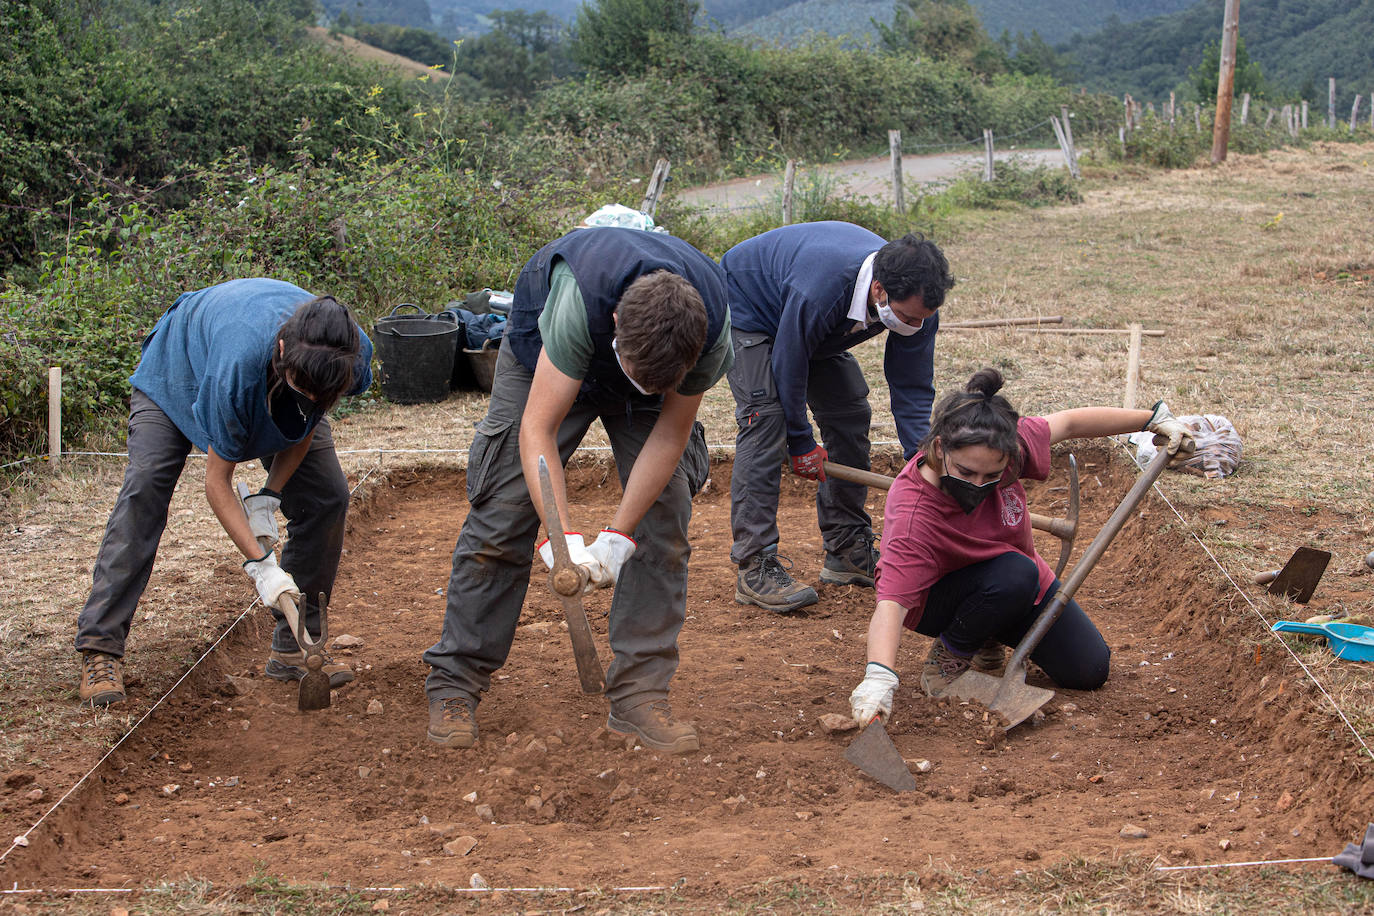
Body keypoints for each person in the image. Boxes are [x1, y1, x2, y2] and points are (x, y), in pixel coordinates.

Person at [422, 226, 732, 755]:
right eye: (635, 374)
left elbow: (671, 433)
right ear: (615, 325)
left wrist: (616, 538)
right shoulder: (579, 305)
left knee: (667, 514)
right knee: (504, 510)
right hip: (549, 358)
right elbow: (537, 430)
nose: (637, 389)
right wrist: (560, 539)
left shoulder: (709, 333)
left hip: (652, 358)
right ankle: (455, 683)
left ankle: (639, 695)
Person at [74, 279, 374, 707]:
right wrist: (262, 566)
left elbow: (308, 419)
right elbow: (218, 483)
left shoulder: (348, 356)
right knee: (147, 490)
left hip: (267, 367)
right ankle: (100, 648)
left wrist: (270, 495)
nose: (311, 399)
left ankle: (294, 648)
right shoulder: (238, 366)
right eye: (302, 388)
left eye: (319, 393)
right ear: (285, 351)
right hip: (180, 371)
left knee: (327, 496)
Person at [849, 368, 1194, 726]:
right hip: (943, 598)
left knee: (1089, 670)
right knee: (1014, 572)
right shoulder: (914, 516)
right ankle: (946, 665)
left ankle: (986, 634)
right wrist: (878, 678)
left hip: (1014, 585)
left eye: (991, 476)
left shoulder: (1006, 446)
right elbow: (891, 607)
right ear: (940, 447)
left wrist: (1154, 419)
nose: (978, 484)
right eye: (966, 473)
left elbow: (1071, 423)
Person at [720, 221, 954, 613]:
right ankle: (754, 564)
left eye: (922, 319)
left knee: (849, 411)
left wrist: (921, 456)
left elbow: (911, 387)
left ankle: (847, 548)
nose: (915, 326)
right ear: (879, 289)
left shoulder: (918, 308)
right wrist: (800, 442)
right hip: (749, 307)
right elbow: (789, 362)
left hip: (808, 323)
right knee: (767, 417)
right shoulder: (822, 289)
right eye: (906, 317)